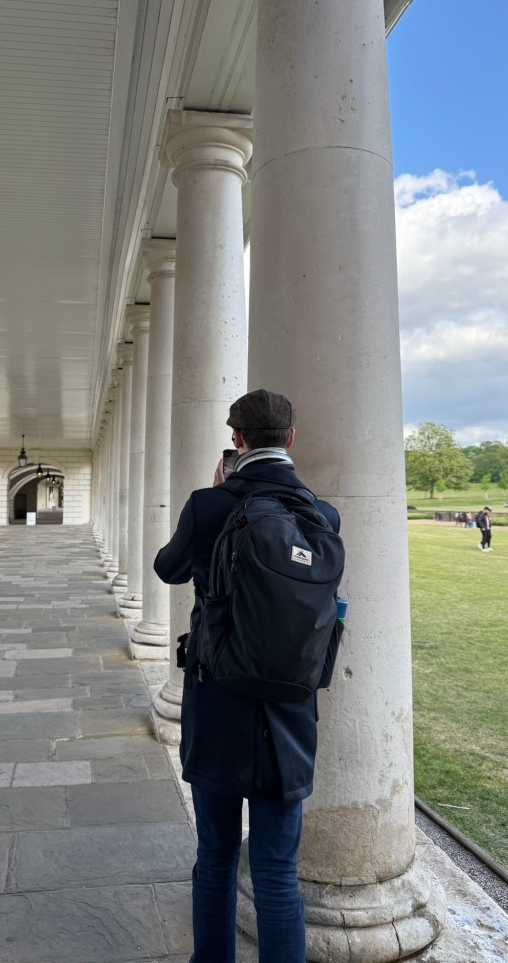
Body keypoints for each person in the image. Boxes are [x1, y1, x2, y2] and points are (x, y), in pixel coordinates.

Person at [154, 389, 342, 963]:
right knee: (278, 869)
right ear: (290, 438)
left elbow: (168, 568)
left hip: (218, 699)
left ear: (236, 439)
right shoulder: (321, 513)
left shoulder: (212, 505)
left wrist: (215, 495)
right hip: (288, 710)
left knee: (214, 854)